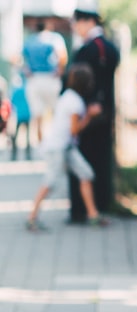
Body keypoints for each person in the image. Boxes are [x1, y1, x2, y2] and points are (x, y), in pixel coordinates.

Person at [26, 64, 106, 231]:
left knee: (86, 174)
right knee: (51, 180)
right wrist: (90, 116)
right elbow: (74, 129)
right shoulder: (75, 102)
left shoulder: (68, 96)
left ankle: (93, 214)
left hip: (66, 146)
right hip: (58, 147)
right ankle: (32, 217)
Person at [68, 3, 119, 223]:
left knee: (82, 162)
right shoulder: (110, 48)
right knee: (101, 159)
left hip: (84, 115)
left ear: (89, 21)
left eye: (77, 22)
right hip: (106, 114)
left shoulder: (87, 49)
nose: (75, 27)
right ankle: (100, 204)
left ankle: (81, 210)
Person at [21, 20, 67, 144]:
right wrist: (60, 70)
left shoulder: (30, 40)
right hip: (51, 78)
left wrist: (26, 71)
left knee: (38, 115)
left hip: (34, 79)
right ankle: (55, 141)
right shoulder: (54, 38)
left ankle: (41, 144)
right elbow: (62, 56)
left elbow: (18, 58)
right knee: (55, 112)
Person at [9, 75, 33, 161]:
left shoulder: (15, 91)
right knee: (28, 136)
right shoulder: (27, 90)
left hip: (19, 115)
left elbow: (12, 102)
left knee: (15, 136)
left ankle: (14, 155)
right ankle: (28, 155)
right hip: (27, 115)